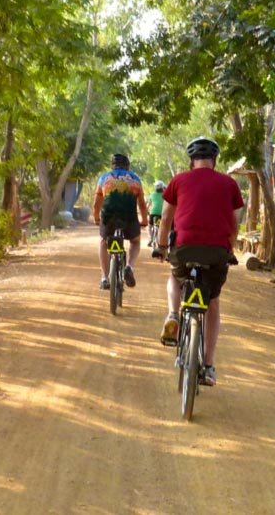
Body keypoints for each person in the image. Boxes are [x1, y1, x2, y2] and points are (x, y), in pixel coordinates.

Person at [155, 136, 243, 387]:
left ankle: (173, 314)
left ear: (191, 160)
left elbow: (165, 218)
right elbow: (235, 222)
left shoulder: (179, 180)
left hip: (184, 248)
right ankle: (208, 365)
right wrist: (231, 249)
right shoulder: (229, 184)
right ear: (214, 160)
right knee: (212, 301)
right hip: (217, 252)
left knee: (174, 276)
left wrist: (161, 248)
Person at [92, 153, 148, 290]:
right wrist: (145, 221)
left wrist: (96, 218)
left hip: (108, 217)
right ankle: (128, 267)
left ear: (113, 166)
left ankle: (104, 278)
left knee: (103, 242)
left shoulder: (104, 178)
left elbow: (96, 204)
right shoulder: (135, 179)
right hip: (129, 218)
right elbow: (141, 204)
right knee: (135, 242)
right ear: (127, 166)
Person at [145, 180, 166, 246]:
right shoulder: (165, 194)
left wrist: (146, 211)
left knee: (149, 226)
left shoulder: (152, 194)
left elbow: (148, 205)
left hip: (153, 213)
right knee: (163, 227)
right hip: (162, 214)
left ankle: (150, 238)